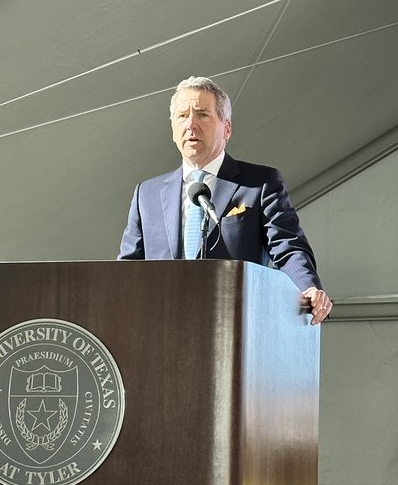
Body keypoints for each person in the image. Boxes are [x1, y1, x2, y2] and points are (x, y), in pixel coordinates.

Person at [118, 75, 332, 324]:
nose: (191, 124)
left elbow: (288, 248)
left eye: (202, 114)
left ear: (227, 128)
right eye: (182, 116)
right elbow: (127, 271)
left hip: (235, 327)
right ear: (173, 130)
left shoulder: (259, 184)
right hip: (162, 328)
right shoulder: (147, 194)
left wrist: (308, 289)